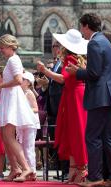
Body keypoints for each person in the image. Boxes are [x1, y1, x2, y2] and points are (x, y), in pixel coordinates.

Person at [65, 13, 111, 187]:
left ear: (85, 26)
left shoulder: (94, 42)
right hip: (108, 96)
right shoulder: (104, 40)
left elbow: (94, 73)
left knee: (92, 137)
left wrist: (77, 72)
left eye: (81, 27)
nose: (81, 32)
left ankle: (95, 177)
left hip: (99, 96)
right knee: (108, 138)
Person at [37, 29, 88, 184]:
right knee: (72, 132)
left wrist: (45, 71)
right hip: (71, 96)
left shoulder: (70, 58)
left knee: (77, 132)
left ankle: (81, 170)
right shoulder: (74, 58)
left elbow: (63, 79)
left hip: (74, 97)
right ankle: (74, 170)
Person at [0, 34, 39, 182]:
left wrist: (0, 86)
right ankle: (15, 168)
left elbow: (18, 80)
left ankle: (25, 168)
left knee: (9, 136)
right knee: (5, 136)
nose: (0, 50)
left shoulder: (13, 59)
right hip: (8, 98)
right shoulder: (11, 60)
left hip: (12, 99)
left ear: (11, 47)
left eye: (2, 47)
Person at [18, 71, 41, 181]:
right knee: (22, 147)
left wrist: (24, 110)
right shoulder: (20, 93)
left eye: (23, 80)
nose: (20, 81)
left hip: (30, 123)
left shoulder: (29, 93)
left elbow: (36, 109)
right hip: (22, 122)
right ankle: (25, 169)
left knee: (28, 148)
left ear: (28, 82)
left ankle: (33, 170)